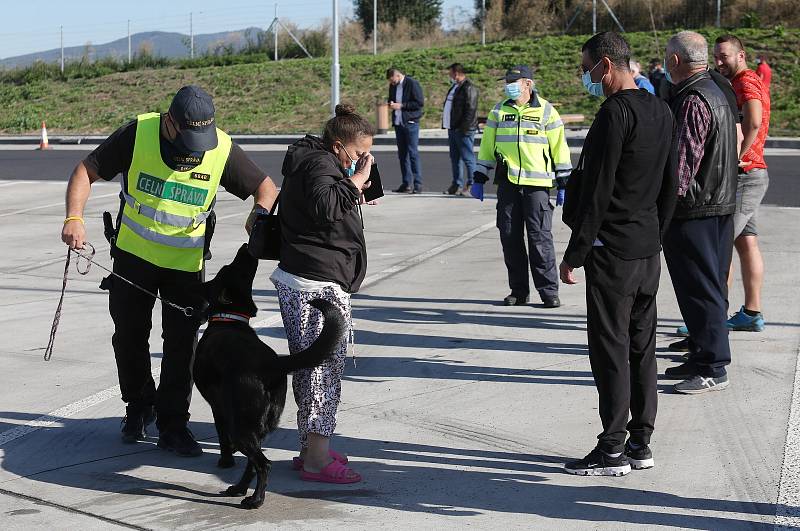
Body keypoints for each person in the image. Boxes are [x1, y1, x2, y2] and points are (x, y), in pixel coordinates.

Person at [61, 85, 279, 455]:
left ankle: (174, 424)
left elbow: (266, 187)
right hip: (133, 259)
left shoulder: (221, 148)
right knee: (129, 338)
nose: (197, 148)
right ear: (170, 123)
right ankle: (139, 404)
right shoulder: (139, 133)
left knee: (182, 348)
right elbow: (86, 170)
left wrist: (258, 215)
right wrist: (73, 217)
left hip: (185, 266)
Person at [560, 32, 676, 477]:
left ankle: (611, 448)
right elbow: (671, 184)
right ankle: (640, 444)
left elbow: (598, 187)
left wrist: (576, 251)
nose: (584, 75)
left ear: (605, 65)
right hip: (647, 249)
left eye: (586, 66)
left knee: (610, 349)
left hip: (613, 253)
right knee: (642, 349)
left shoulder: (614, 114)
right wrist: (657, 234)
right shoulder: (661, 109)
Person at [271, 103, 375, 484]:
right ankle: (316, 458)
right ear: (337, 146)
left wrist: (357, 183)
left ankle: (309, 448)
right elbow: (327, 203)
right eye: (358, 153)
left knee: (310, 370)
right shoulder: (319, 165)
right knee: (323, 372)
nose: (363, 160)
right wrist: (356, 180)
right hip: (316, 283)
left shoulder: (314, 160)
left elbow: (330, 203)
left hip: (307, 278)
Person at [661, 31, 738, 394]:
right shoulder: (715, 88)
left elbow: (681, 167)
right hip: (717, 203)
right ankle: (700, 352)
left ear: (675, 60)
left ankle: (713, 366)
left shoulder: (693, 99)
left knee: (701, 287)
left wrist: (661, 206)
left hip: (697, 208)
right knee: (704, 286)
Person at [473, 65, 572, 308]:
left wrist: (564, 182)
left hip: (537, 185)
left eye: (513, 81)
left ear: (528, 83)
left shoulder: (546, 111)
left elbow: (559, 148)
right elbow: (487, 145)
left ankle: (548, 291)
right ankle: (518, 290)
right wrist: (479, 176)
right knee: (509, 237)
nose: (509, 84)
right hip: (508, 183)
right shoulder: (499, 110)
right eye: (507, 80)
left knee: (540, 240)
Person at [714, 34, 771, 333]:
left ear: (742, 55)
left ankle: (711, 318)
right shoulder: (739, 81)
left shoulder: (746, 81)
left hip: (746, 176)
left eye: (724, 56)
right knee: (746, 243)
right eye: (716, 57)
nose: (719, 61)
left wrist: (739, 156)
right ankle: (751, 313)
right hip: (752, 173)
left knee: (719, 244)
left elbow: (754, 122)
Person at [442, 63, 479, 196]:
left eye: (450, 73)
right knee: (455, 158)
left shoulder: (469, 88)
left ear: (456, 73)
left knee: (468, 158)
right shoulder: (455, 87)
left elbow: (470, 110)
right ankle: (456, 185)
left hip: (463, 130)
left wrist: (463, 128)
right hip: (453, 128)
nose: (450, 76)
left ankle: (472, 185)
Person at [387, 67, 425, 194]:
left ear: (397, 76)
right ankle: (406, 183)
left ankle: (418, 184)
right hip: (398, 123)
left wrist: (402, 106)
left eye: (392, 80)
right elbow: (391, 98)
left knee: (413, 153)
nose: (391, 84)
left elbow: (419, 103)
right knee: (402, 155)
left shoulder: (412, 83)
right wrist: (391, 104)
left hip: (410, 122)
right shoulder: (393, 85)